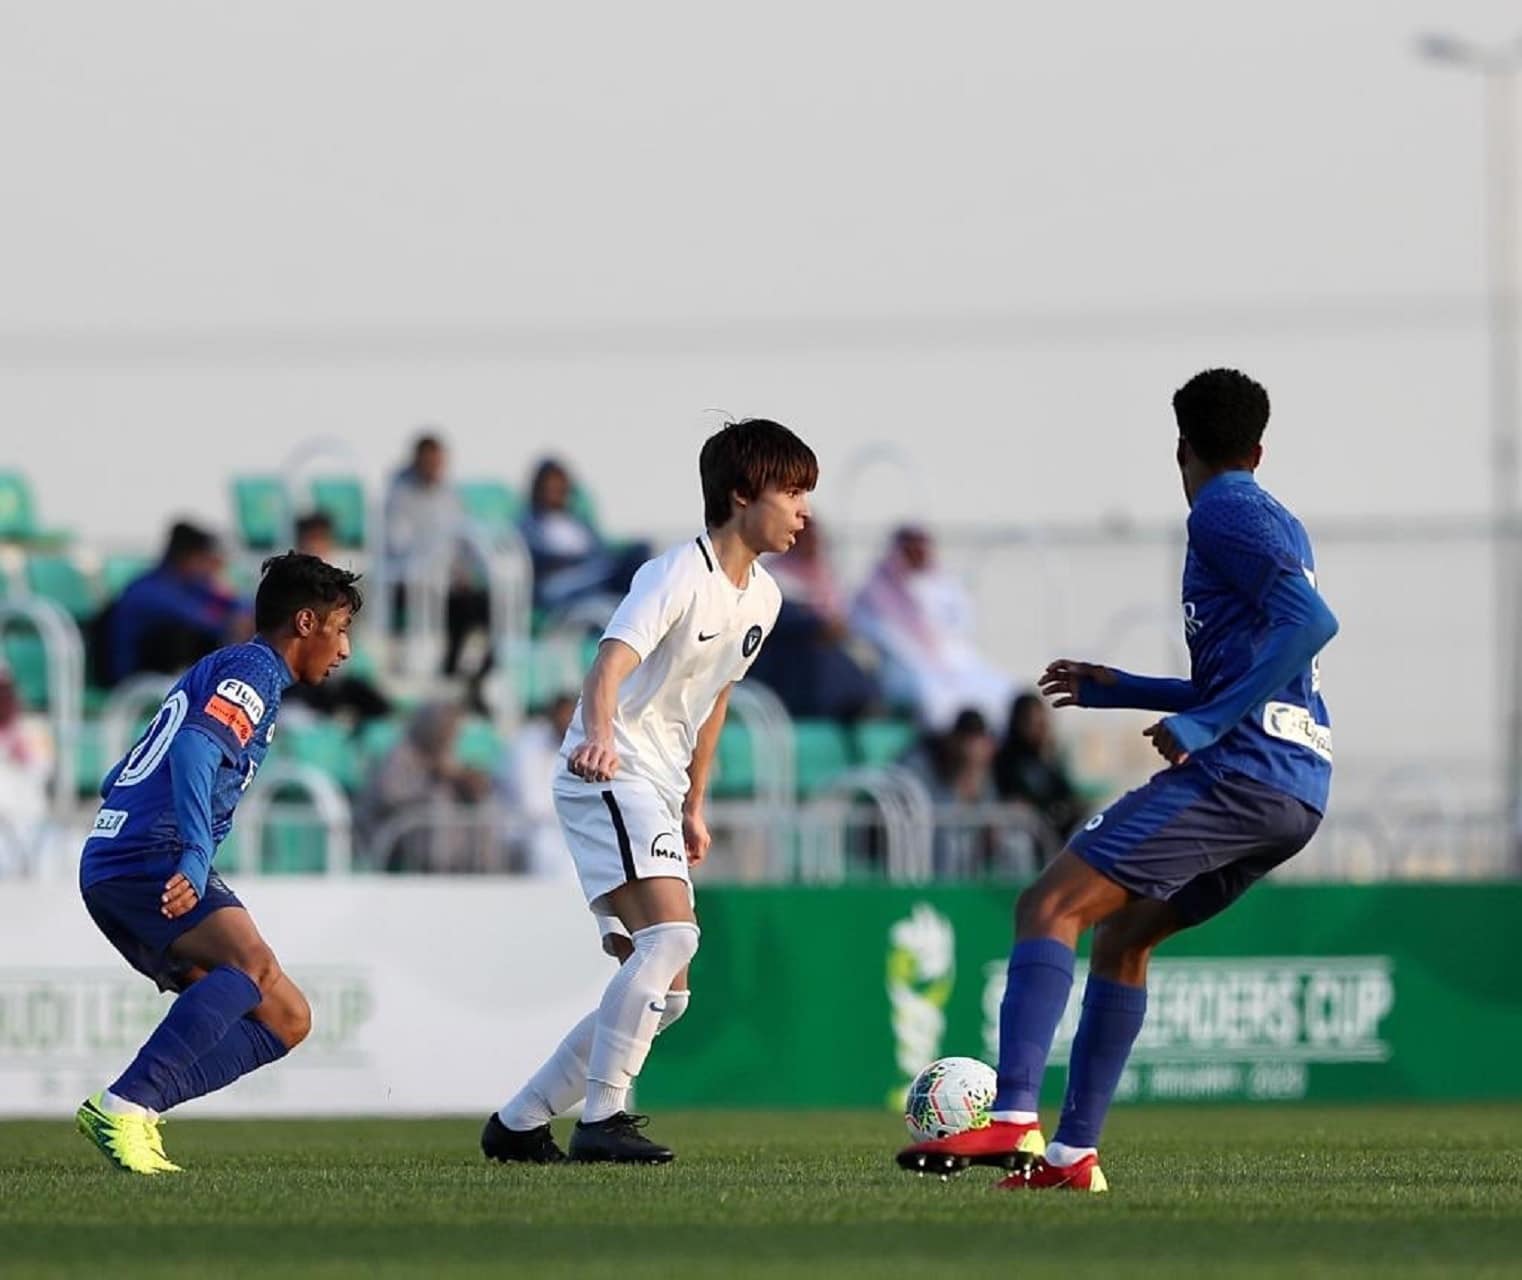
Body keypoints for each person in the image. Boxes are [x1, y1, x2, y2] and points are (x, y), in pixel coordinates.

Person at [896, 368, 1337, 1191]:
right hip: (1298, 786)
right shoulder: (1279, 521)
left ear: (1182, 449)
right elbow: (1268, 661)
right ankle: (1071, 1159)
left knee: (1048, 905)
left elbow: (1313, 625)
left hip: (1245, 770)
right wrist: (1126, 689)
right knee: (1124, 937)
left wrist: (1206, 725)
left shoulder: (1223, 511)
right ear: (1259, 448)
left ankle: (1015, 1121)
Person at [484, 418, 815, 1165]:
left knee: (671, 994)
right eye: (791, 491)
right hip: (607, 771)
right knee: (672, 938)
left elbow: (714, 701)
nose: (804, 510)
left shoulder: (763, 599)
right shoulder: (673, 576)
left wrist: (694, 804)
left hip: (658, 786)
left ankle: (519, 1120)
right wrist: (598, 736)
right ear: (741, 494)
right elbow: (608, 664)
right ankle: (604, 1119)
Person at [74, 553, 361, 1174]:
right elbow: (198, 749)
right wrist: (196, 852)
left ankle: (139, 1111)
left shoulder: (224, 667)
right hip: (149, 853)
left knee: (286, 1017)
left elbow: (118, 773)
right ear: (306, 623)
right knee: (251, 967)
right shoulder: (255, 670)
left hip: (119, 852)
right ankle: (125, 1104)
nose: (345, 650)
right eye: (341, 630)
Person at [851, 525, 1011, 730]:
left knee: (1000, 691)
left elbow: (962, 626)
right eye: (911, 548)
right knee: (934, 700)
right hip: (906, 669)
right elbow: (879, 635)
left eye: (922, 547)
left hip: (954, 665)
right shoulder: (876, 592)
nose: (918, 554)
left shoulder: (943, 585)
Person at [383, 433, 491, 691]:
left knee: (483, 605)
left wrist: (460, 569)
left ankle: (474, 671)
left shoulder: (450, 496)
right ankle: (449, 673)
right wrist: (436, 565)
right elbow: (398, 544)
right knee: (459, 608)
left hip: (449, 581)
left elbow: (462, 538)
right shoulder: (399, 496)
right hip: (413, 581)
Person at [748, 520, 879, 721]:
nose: (813, 544)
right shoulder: (773, 576)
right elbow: (778, 618)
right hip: (784, 655)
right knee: (818, 660)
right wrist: (814, 626)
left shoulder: (825, 577)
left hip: (825, 646)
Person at [104, 522, 250, 686]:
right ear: (189, 558)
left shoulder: (190, 584)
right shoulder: (148, 591)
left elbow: (244, 608)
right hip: (132, 683)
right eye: (206, 560)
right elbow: (202, 621)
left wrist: (225, 591)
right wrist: (232, 620)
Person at [355, 701, 495, 872]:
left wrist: (463, 780)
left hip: (443, 847)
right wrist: (433, 781)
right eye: (447, 726)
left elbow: (477, 787)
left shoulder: (445, 754)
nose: (451, 733)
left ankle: (483, 868)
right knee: (438, 802)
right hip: (392, 843)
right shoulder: (402, 754)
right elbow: (391, 795)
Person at [281, 512, 393, 726]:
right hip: (299, 675)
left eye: (322, 540)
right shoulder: (283, 588)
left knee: (379, 708)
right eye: (311, 540)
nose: (317, 548)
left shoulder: (343, 589)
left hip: (333, 674)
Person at [518, 458, 648, 616]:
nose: (555, 493)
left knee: (640, 551)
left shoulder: (577, 522)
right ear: (539, 489)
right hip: (564, 584)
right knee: (626, 573)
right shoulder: (528, 524)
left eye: (560, 488)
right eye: (550, 487)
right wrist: (574, 561)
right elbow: (532, 560)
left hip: (596, 573)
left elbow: (600, 549)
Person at [993, 691, 1089, 861]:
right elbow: (1014, 798)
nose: (1041, 729)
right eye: (1035, 723)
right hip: (1030, 835)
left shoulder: (1048, 758)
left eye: (1043, 723)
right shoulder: (1007, 759)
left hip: (1057, 835)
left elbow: (1066, 793)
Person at [496, 693, 579, 876]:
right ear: (552, 716)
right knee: (546, 850)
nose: (568, 722)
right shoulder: (527, 744)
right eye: (564, 716)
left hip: (567, 829)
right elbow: (531, 804)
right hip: (529, 831)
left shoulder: (580, 742)